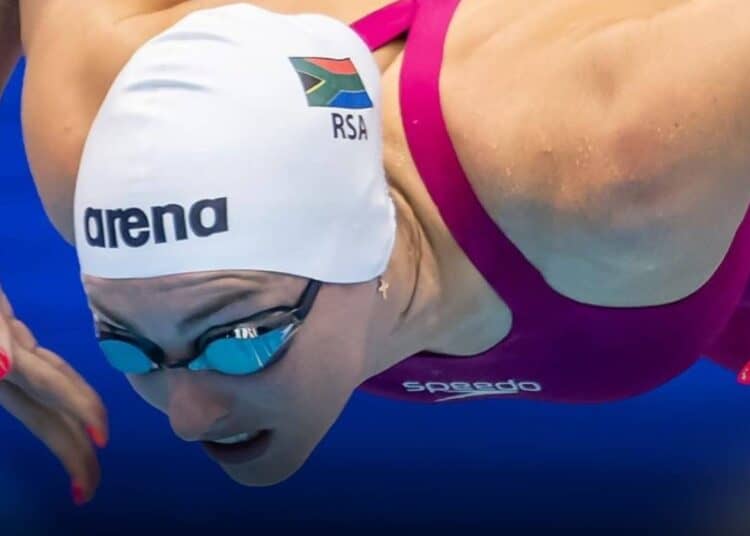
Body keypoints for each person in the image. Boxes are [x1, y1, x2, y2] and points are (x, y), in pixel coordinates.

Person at [1, 0, 749, 501]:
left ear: (365, 243)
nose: (187, 418)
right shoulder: (105, 159)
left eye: (240, 341)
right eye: (129, 348)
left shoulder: (619, 156)